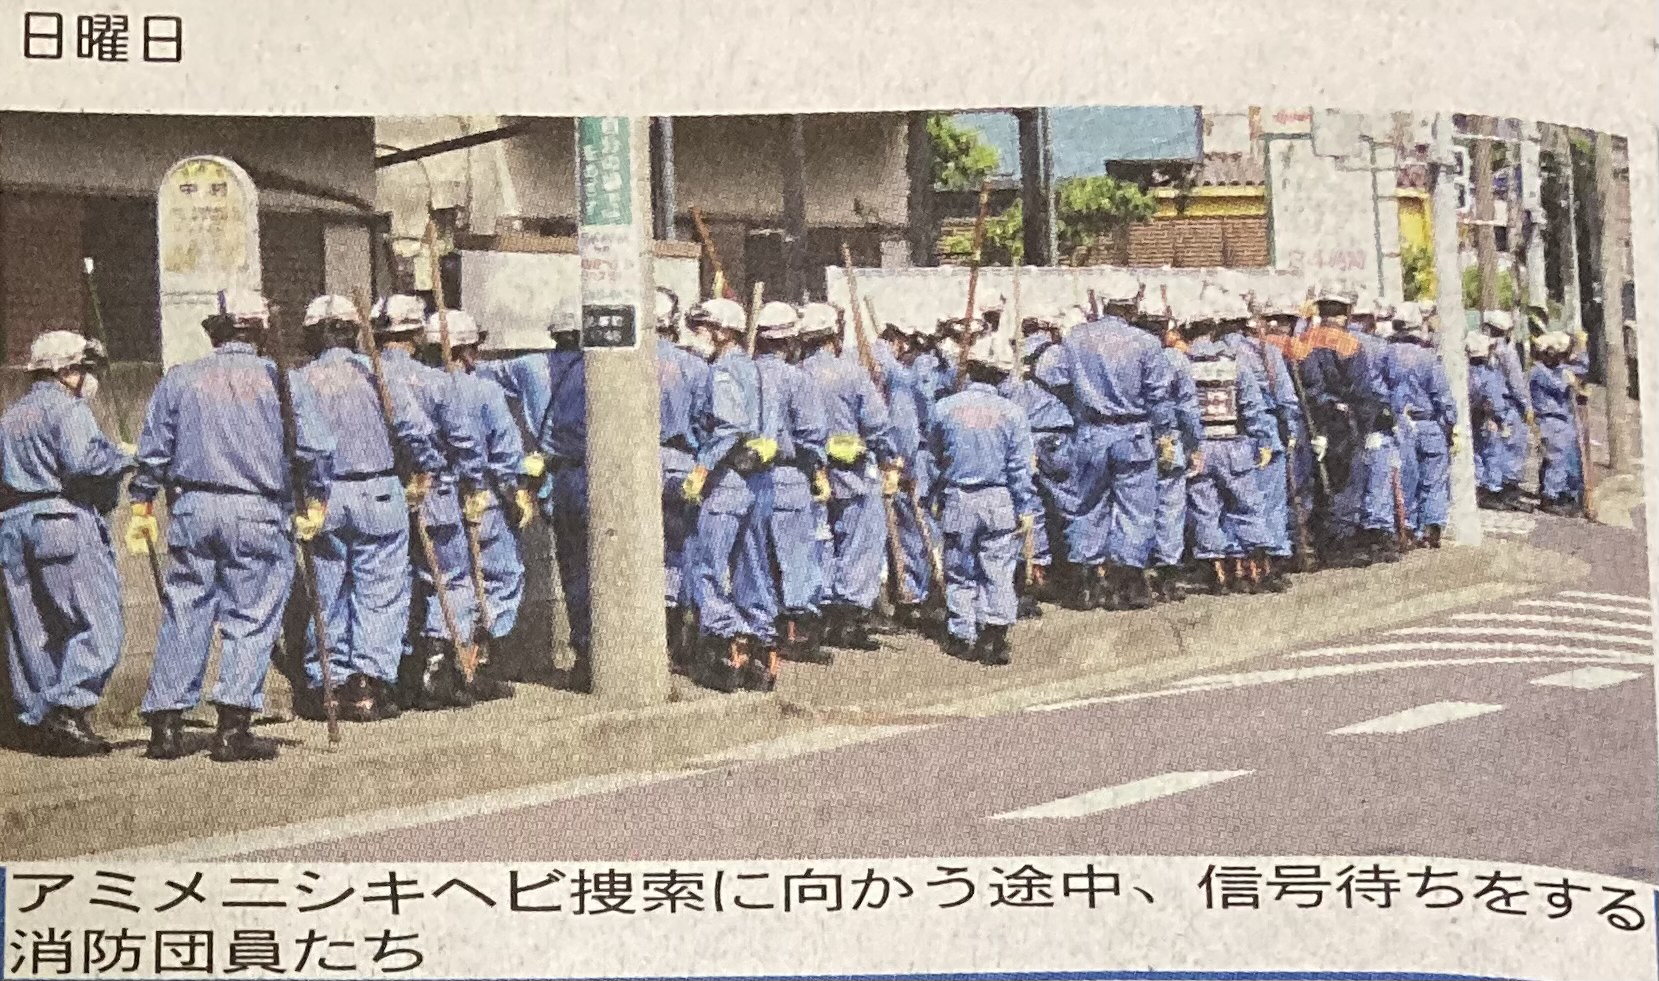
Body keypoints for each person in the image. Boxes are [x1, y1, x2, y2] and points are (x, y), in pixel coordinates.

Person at [129, 290, 336, 762]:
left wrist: (141, 503)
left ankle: (166, 725)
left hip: (194, 507)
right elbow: (316, 448)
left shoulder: (181, 379)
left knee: (186, 611)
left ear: (216, 333)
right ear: (260, 332)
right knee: (251, 616)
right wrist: (316, 499)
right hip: (257, 509)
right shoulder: (281, 381)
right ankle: (233, 726)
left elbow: (154, 450)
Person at [296, 295, 445, 723]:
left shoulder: (300, 380)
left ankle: (328, 683)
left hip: (324, 495)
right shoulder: (377, 373)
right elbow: (415, 429)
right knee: (380, 593)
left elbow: (295, 442)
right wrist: (424, 469)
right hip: (378, 489)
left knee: (326, 591)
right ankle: (368, 684)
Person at [1, 331, 132, 756]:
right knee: (98, 620)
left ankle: (37, 719)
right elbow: (84, 462)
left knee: (32, 630)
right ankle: (69, 709)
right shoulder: (68, 408)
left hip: (13, 524)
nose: (90, 378)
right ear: (66, 371)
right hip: (61, 519)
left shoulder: (11, 416)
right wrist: (124, 456)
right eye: (85, 368)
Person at [368, 295, 487, 710]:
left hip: (380, 490)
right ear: (417, 334)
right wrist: (472, 482)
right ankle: (435, 668)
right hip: (432, 489)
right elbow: (461, 439)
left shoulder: (365, 373)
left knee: (391, 584)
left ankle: (390, 673)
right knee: (451, 580)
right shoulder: (434, 381)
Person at [475, 314, 590, 685]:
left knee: (573, 567)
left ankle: (585, 653)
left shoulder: (530, 366)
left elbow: (477, 370)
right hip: (598, 474)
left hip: (557, 476)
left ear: (553, 334)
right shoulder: (602, 367)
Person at [422, 309, 529, 701]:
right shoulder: (483, 391)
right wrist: (517, 491)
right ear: (466, 350)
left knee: (444, 581)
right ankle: (472, 659)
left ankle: (437, 660)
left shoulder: (416, 386)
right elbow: (506, 451)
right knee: (500, 577)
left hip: (431, 498)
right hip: (480, 496)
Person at [1052, 272, 1175, 610]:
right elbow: (1159, 397)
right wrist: (1165, 435)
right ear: (1132, 306)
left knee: (1086, 507)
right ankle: (1129, 583)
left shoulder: (1076, 338)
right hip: (1133, 434)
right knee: (1136, 510)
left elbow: (1052, 376)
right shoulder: (1146, 344)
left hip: (1090, 434)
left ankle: (1086, 583)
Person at [684, 297, 779, 692]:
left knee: (705, 565)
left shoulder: (721, 371)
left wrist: (702, 467)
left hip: (726, 481)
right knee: (753, 568)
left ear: (723, 332)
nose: (696, 335)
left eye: (702, 328)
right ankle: (763, 650)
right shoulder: (756, 370)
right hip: (759, 482)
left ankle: (727, 647)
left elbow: (729, 425)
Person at [927, 334, 1038, 665]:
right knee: (998, 568)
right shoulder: (1013, 414)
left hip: (958, 496)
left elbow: (934, 458)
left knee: (960, 569)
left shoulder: (945, 409)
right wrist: (1025, 507)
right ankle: (995, 635)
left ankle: (963, 634)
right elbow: (1020, 467)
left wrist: (933, 495)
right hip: (999, 498)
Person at [798, 302, 899, 651]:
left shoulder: (797, 374)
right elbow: (877, 423)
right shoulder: (851, 374)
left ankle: (822, 608)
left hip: (812, 473)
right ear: (834, 336)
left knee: (821, 542)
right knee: (860, 543)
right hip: (853, 471)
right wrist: (889, 458)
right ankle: (849, 618)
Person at [1184, 289, 1278, 593]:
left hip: (1200, 448)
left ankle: (1220, 576)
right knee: (1247, 506)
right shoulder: (1234, 363)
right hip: (1234, 444)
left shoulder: (1182, 365)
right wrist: (1264, 440)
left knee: (1206, 511)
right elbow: (1252, 407)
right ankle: (1257, 572)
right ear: (1213, 329)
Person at [752, 301, 830, 664]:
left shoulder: (744, 374)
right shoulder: (797, 380)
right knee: (797, 554)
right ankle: (796, 631)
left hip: (748, 476)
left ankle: (764, 628)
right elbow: (812, 433)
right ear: (790, 341)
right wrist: (816, 470)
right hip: (788, 473)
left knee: (760, 555)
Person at [998, 309, 1076, 613]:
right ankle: (1075, 570)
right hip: (1055, 435)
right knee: (1068, 504)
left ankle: (1037, 567)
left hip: (1023, 438)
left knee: (1031, 507)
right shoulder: (1056, 355)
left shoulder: (1010, 356)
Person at [1226, 296, 1303, 588]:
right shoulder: (1265, 353)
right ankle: (1271, 558)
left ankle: (1237, 563)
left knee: (1233, 502)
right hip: (1265, 429)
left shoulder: (1207, 354)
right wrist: (1291, 432)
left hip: (1226, 434)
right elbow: (1286, 398)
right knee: (1269, 500)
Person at [1297, 285, 1374, 566]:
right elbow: (1361, 391)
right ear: (1345, 313)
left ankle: (1317, 540)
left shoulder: (1303, 340)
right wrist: (1366, 424)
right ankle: (1340, 543)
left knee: (1315, 480)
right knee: (1346, 481)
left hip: (1309, 419)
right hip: (1342, 420)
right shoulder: (1349, 345)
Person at [655, 287, 710, 671]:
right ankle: (679, 637)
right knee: (685, 549)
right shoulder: (693, 367)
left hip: (630, 468)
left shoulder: (620, 364)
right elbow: (707, 424)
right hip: (680, 463)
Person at [1137, 292, 1203, 601]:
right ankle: (1168, 570)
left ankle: (1137, 568)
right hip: (1169, 439)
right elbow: (1188, 407)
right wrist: (1194, 443)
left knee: (1135, 505)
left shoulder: (1130, 355)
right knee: (1170, 504)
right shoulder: (1175, 360)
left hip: (1135, 436)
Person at [877, 317, 942, 630]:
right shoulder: (899, 376)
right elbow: (906, 427)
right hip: (899, 460)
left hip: (875, 457)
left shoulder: (868, 360)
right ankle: (912, 595)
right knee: (912, 528)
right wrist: (905, 462)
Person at [1382, 306, 1457, 546]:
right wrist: (1450, 424)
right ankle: (1432, 527)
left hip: (1398, 423)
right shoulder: (1429, 357)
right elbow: (1443, 397)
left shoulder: (1385, 354)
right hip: (1428, 424)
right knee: (1434, 478)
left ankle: (1406, 526)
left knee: (1405, 476)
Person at [1530, 331, 1587, 516]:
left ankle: (1564, 492)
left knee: (1568, 458)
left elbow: (1581, 369)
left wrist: (1580, 350)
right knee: (1556, 458)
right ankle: (1550, 496)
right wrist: (1570, 381)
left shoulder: (1557, 368)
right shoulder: (1539, 371)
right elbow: (1558, 384)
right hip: (1550, 419)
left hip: (1562, 419)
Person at [1484, 310, 1534, 511]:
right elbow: (1516, 382)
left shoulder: (1482, 349)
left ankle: (1493, 487)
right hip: (1508, 406)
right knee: (1513, 448)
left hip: (1490, 406)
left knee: (1492, 448)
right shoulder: (1506, 352)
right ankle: (1507, 490)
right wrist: (1527, 405)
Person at [1465, 333, 1511, 507]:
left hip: (1473, 417)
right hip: (1488, 418)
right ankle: (1492, 488)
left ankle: (1479, 486)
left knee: (1477, 453)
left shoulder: (1467, 372)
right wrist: (1500, 419)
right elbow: (1494, 399)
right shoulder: (1487, 374)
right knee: (1492, 453)